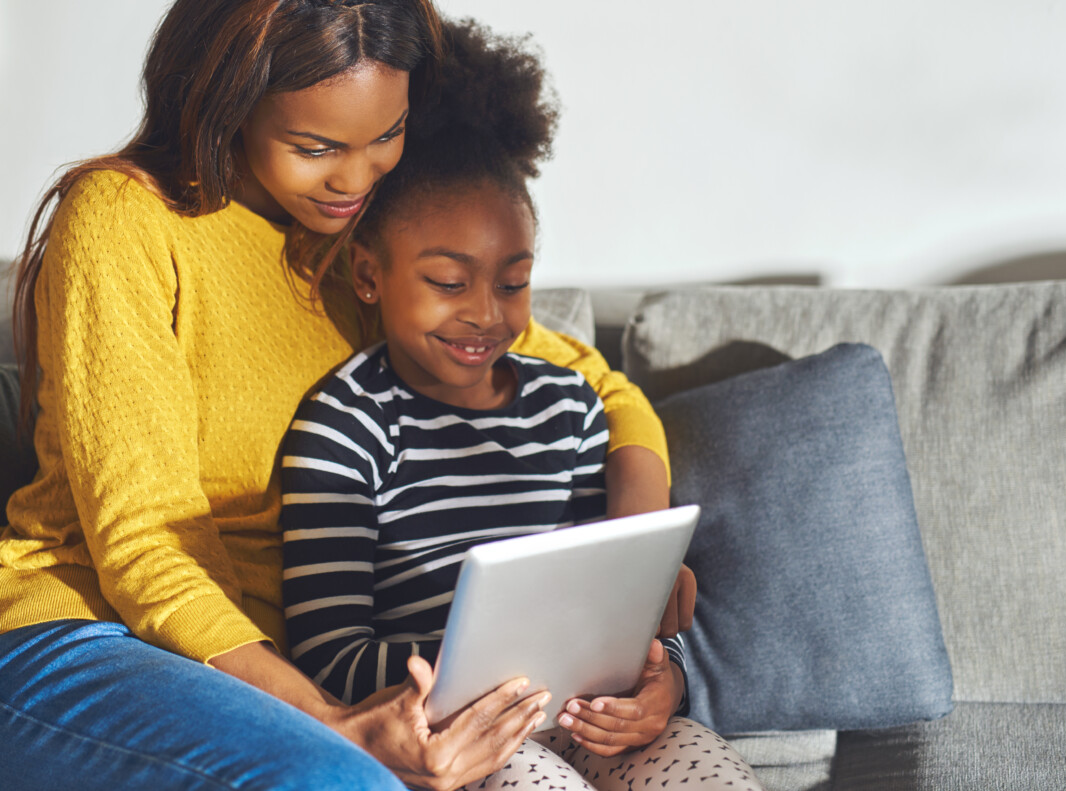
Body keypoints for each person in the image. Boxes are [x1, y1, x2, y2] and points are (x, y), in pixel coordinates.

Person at [0, 2, 685, 789]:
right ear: (230, 102)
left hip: (271, 669)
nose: (355, 179)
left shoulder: (362, 247)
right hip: (88, 634)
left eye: (385, 136)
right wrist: (335, 723)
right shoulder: (124, 221)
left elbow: (604, 387)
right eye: (316, 146)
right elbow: (145, 545)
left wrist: (637, 582)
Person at [279, 19, 763, 791]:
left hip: (582, 714)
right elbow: (327, 653)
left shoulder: (569, 409)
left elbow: (620, 602)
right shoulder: (345, 426)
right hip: (454, 735)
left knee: (708, 770)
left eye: (512, 282)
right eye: (448, 282)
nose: (486, 313)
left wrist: (658, 676)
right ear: (369, 275)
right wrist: (480, 667)